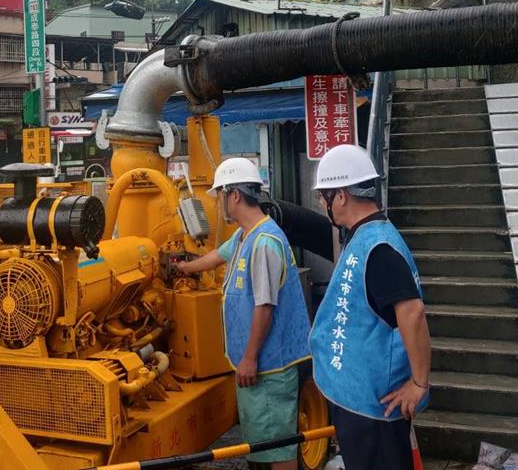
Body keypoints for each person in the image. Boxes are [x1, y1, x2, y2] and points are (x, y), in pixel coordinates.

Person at [177, 157, 311, 470]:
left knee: (278, 449)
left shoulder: (264, 242)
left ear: (234, 195)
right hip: (257, 368)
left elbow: (265, 306)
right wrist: (182, 267)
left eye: (221, 195)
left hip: (269, 367)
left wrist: (249, 357)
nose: (220, 203)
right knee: (262, 447)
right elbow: (214, 256)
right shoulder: (244, 236)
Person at [309, 144, 431, 470]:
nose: (322, 204)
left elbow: (413, 312)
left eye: (324, 196)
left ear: (342, 196)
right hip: (363, 400)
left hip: (374, 408)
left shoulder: (378, 248)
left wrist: (419, 383)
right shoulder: (366, 237)